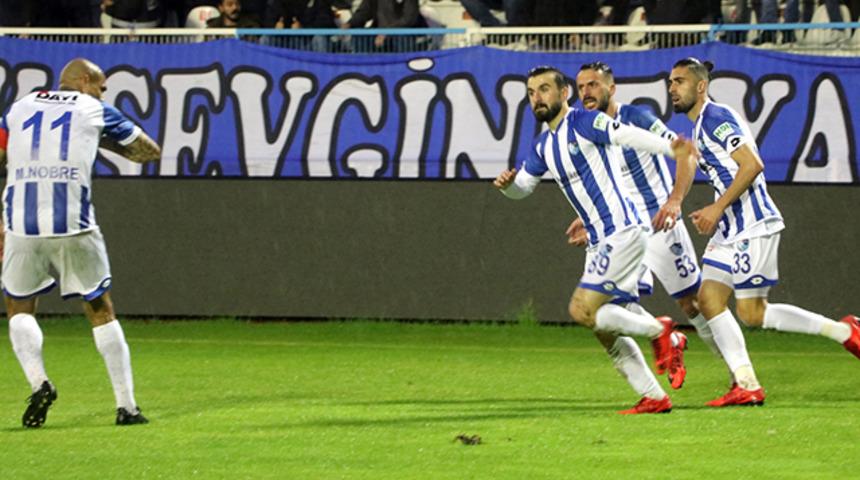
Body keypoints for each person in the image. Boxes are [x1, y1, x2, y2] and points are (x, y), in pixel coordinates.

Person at [493, 65, 693, 414]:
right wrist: (509, 186)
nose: (536, 97)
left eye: (544, 89)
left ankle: (663, 332)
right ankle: (653, 396)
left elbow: (623, 134)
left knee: (581, 309)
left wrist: (669, 147)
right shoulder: (543, 146)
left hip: (623, 231)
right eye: (531, 92)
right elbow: (524, 186)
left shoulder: (584, 122)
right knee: (605, 327)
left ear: (563, 93)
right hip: (600, 240)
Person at [667, 57, 860, 406]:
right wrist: (715, 210)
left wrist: (716, 207)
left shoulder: (715, 118)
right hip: (730, 231)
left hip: (754, 225)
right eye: (670, 82)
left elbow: (752, 164)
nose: (672, 88)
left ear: (700, 86)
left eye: (679, 81)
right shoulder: (698, 127)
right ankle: (746, 383)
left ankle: (846, 331)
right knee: (707, 300)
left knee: (753, 314)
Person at [0, 58, 161, 427]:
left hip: (22, 224)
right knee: (100, 308)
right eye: (102, 86)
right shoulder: (96, 109)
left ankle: (39, 382)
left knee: (19, 306)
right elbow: (148, 151)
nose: (104, 93)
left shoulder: (18, 108)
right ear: (86, 81)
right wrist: (97, 140)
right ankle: (127, 407)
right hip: (74, 223)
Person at [571, 61, 740, 392]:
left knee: (693, 303)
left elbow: (685, 153)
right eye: (581, 87)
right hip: (620, 230)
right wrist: (589, 217)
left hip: (659, 224)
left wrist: (675, 200)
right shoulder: (587, 128)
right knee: (606, 307)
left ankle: (739, 375)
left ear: (611, 88)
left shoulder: (636, 118)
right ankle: (663, 340)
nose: (586, 93)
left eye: (593, 85)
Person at [342, 0, 428, 52]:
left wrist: (388, 31)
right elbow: (364, 12)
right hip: (379, 35)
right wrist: (350, 23)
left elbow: (409, 18)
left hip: (403, 37)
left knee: (401, 42)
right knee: (360, 39)